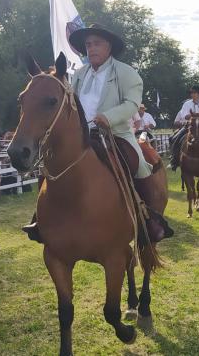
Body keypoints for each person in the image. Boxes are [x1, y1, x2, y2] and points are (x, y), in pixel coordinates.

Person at [22, 23, 170, 240]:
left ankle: (147, 218)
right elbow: (68, 102)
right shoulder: (80, 74)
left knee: (137, 163)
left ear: (109, 46)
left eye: (97, 44)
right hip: (81, 135)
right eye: (88, 44)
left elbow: (131, 104)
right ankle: (42, 217)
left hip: (115, 134)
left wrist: (107, 118)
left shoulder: (127, 73)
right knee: (48, 165)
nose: (91, 48)